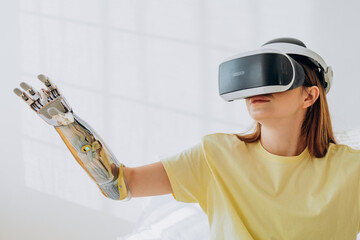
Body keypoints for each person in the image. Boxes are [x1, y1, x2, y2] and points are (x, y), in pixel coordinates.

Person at [14, 38, 360, 239]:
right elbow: (120, 185)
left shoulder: (352, 169)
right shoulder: (216, 155)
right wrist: (70, 127)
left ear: (309, 96)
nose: (257, 90)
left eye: (272, 76)